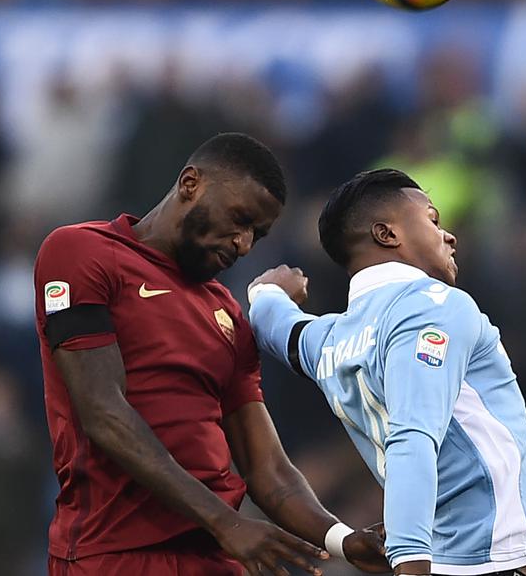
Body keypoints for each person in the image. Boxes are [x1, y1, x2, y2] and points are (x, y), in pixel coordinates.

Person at [33, 133, 387, 576]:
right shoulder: (81, 252)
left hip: (216, 558)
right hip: (113, 554)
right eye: (239, 219)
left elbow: (268, 469)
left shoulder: (227, 314)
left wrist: (343, 540)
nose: (242, 243)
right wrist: (225, 521)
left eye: (257, 235)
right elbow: (103, 412)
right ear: (190, 183)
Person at [247, 168, 526, 576]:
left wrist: (266, 293)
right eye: (433, 220)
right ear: (387, 235)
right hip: (483, 558)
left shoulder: (332, 340)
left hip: (450, 555)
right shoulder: (434, 307)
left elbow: (280, 329)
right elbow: (413, 436)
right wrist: (409, 564)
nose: (449, 235)